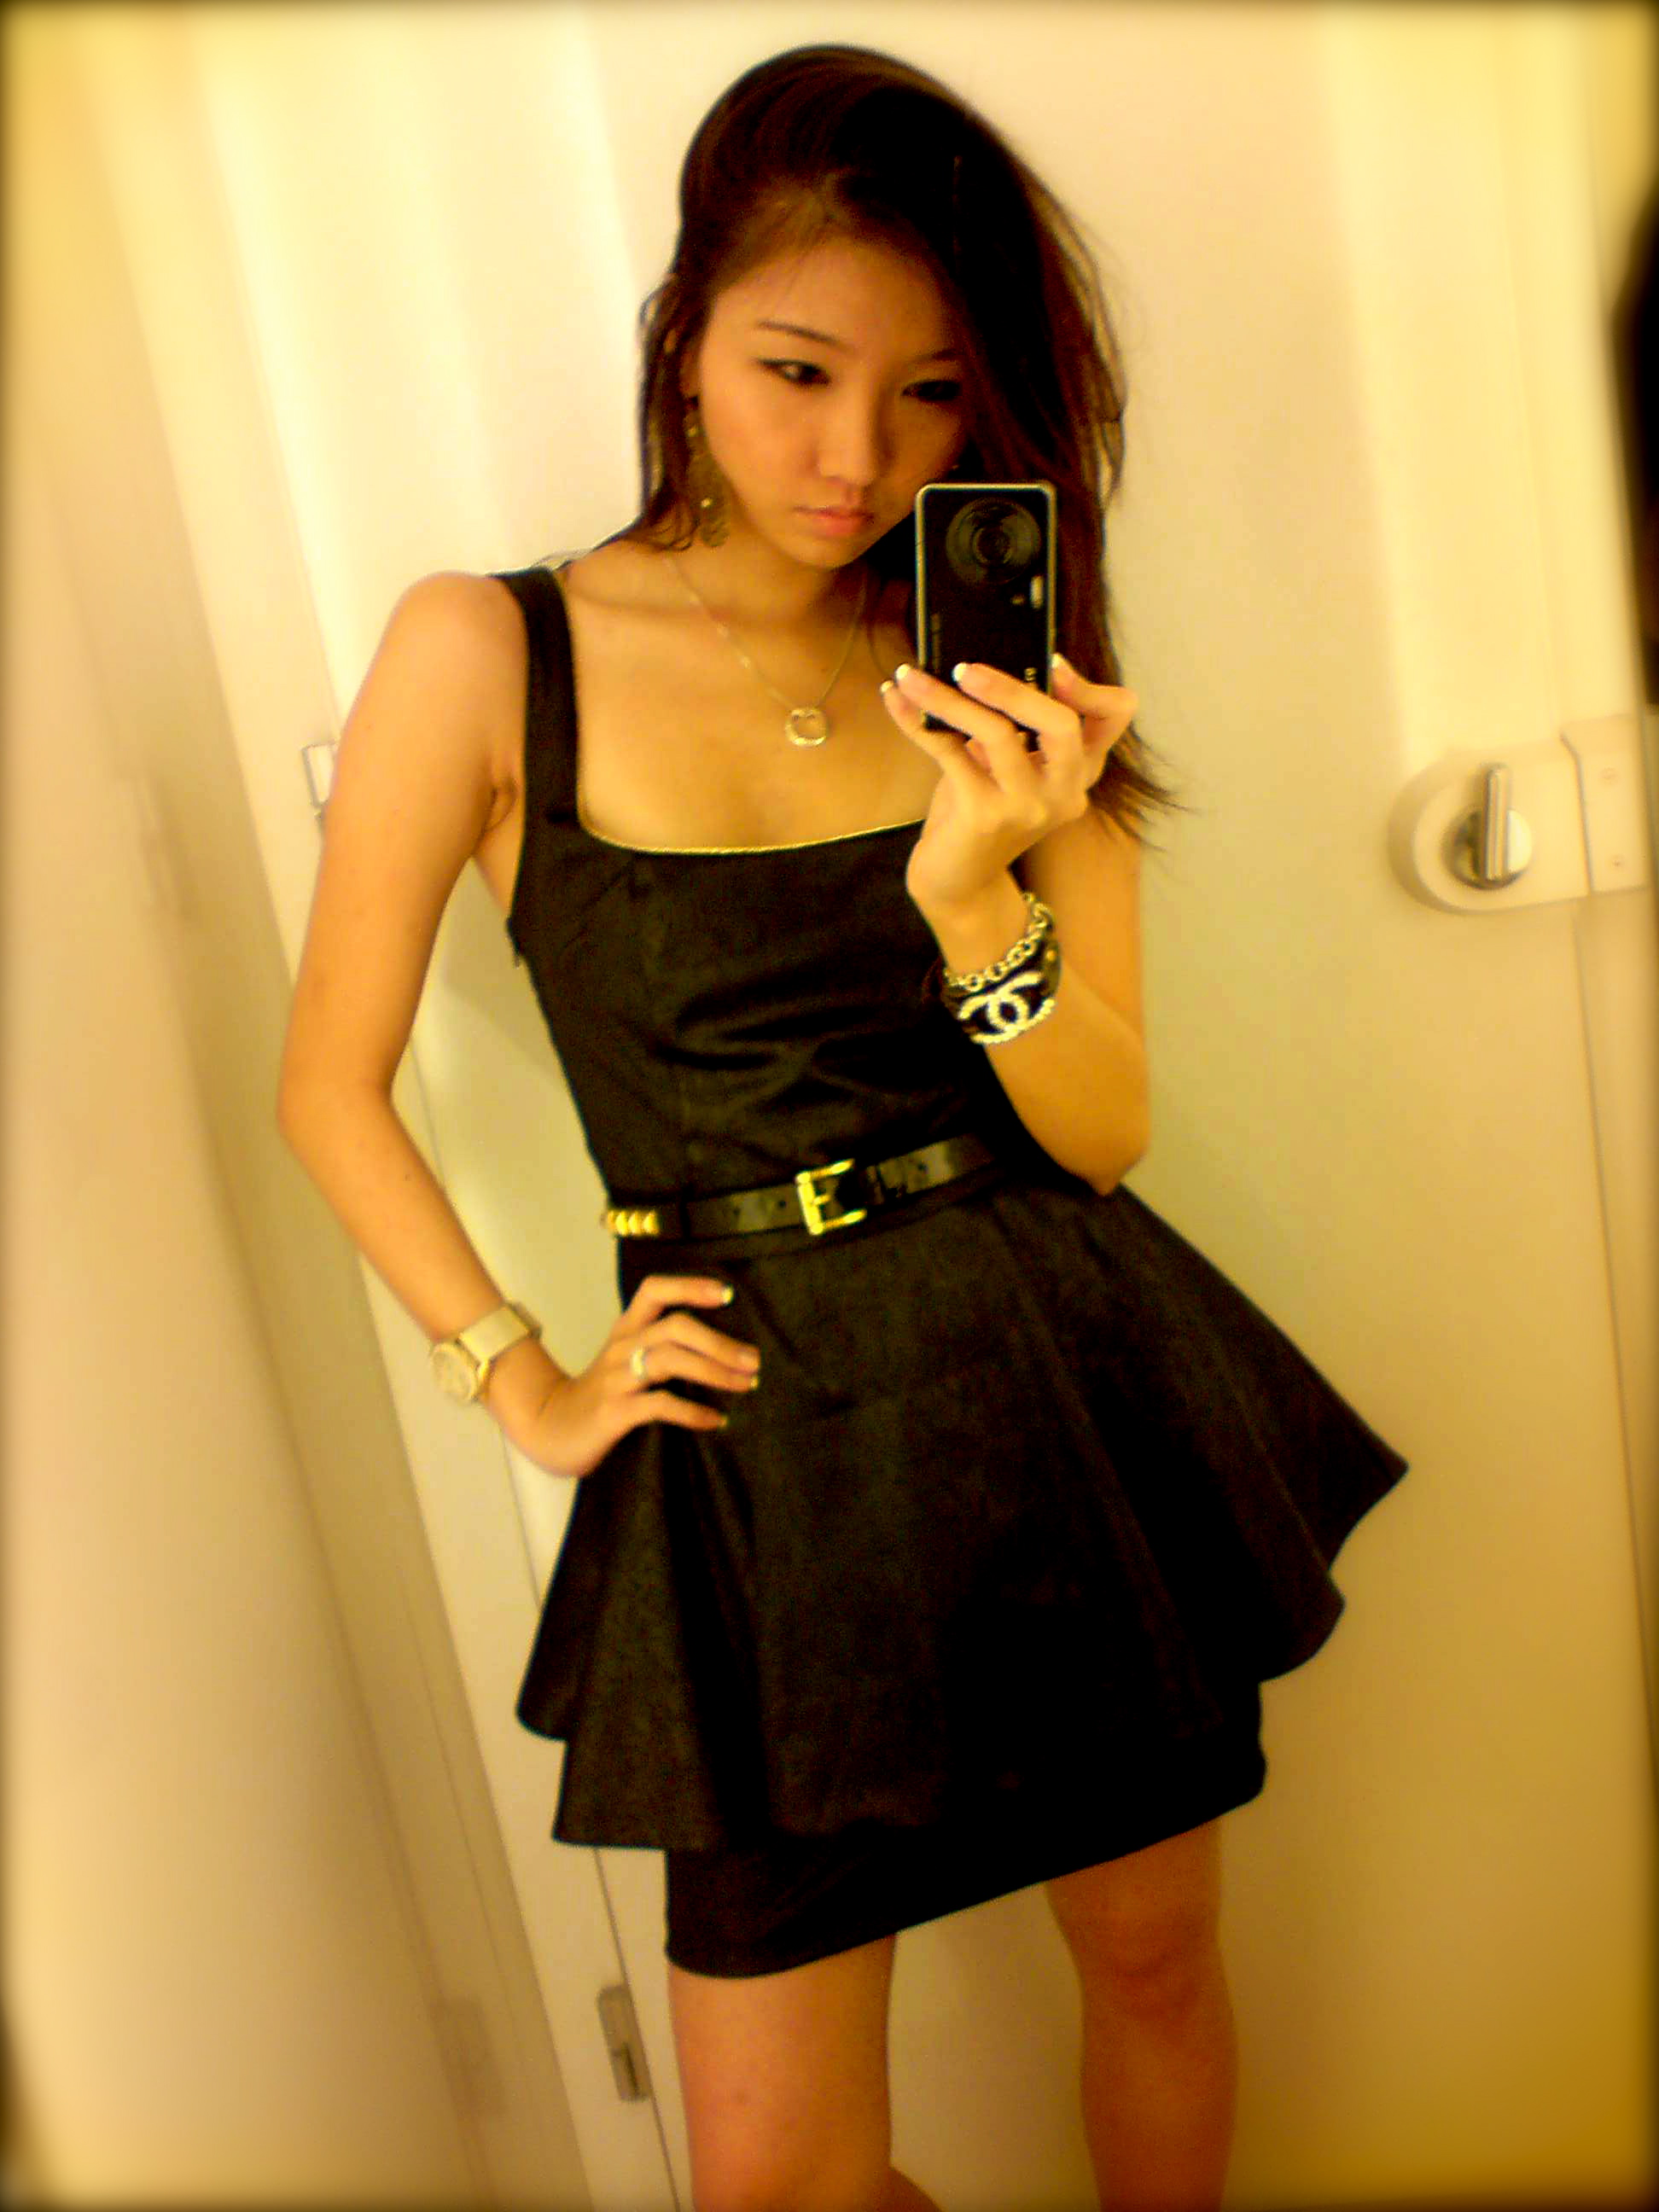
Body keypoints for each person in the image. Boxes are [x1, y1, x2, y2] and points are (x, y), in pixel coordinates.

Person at [278, 43, 1408, 2212]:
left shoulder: (1003, 665)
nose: (855, 456)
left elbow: (1101, 1134)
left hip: (1057, 1395)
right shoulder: (486, 650)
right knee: (775, 2179)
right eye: (797, 371)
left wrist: (978, 891)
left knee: (1152, 1966)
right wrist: (519, 1378)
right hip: (752, 1468)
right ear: (686, 328)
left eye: (931, 397)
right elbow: (327, 1082)